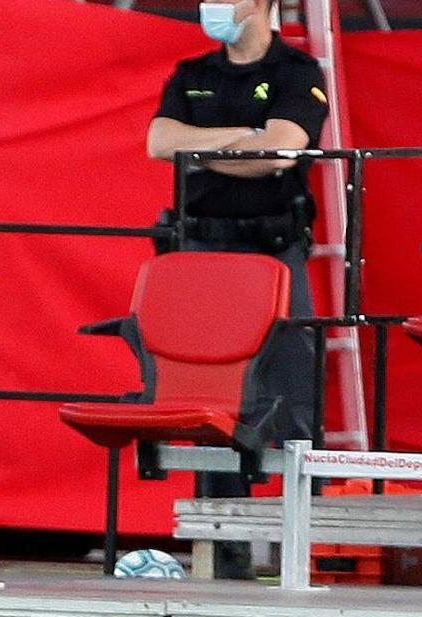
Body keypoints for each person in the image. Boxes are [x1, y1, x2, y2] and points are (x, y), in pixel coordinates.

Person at [147, 1, 329, 579]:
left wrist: (203, 149)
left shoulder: (299, 72)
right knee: (212, 400)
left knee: (292, 397)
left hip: (274, 251)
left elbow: (282, 149)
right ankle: (221, 555)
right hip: (202, 252)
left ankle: (297, 548)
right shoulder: (191, 73)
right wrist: (246, 139)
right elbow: (158, 141)